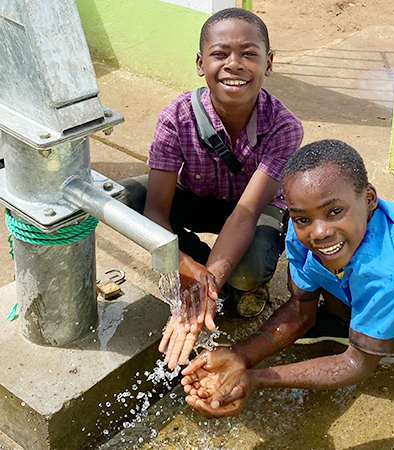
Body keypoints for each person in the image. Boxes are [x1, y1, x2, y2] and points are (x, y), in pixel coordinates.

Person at [180, 140, 394, 450]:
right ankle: (360, 326)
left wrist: (255, 379)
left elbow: (357, 364)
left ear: (369, 200)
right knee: (333, 267)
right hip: (387, 286)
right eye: (303, 218)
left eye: (334, 211)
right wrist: (241, 356)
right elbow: (299, 311)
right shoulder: (303, 236)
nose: (319, 230)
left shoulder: (387, 262)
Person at [121, 8, 303, 369]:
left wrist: (209, 283)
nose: (234, 64)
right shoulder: (176, 117)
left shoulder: (285, 128)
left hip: (253, 208)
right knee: (126, 199)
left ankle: (215, 276)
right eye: (220, 54)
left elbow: (246, 213)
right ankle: (194, 262)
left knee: (249, 273)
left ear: (269, 63)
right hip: (196, 198)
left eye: (249, 54)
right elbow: (157, 208)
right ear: (201, 63)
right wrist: (181, 263)